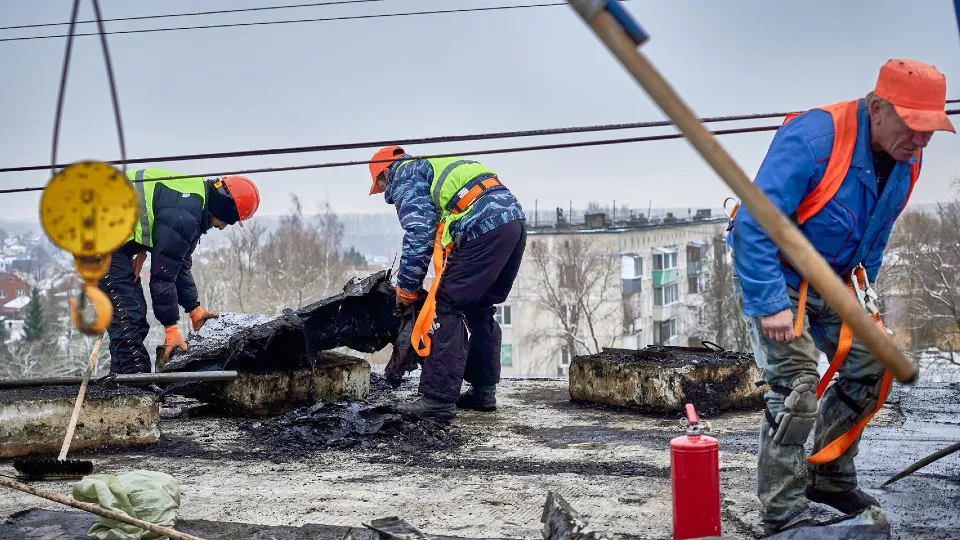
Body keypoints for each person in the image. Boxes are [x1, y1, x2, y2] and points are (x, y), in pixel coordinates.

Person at [728, 58, 955, 535]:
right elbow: (752, 225)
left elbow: (874, 236)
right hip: (779, 274)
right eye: (912, 126)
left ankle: (828, 475)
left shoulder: (906, 161)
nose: (919, 141)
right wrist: (770, 302)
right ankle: (784, 513)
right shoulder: (814, 140)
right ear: (878, 108)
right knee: (796, 388)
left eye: (929, 131)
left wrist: (864, 302)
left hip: (836, 279)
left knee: (874, 364)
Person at [367, 146, 527, 422]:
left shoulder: (405, 174)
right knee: (479, 306)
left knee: (446, 306)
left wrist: (407, 287)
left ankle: (437, 400)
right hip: (513, 223)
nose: (385, 193)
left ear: (384, 174)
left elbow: (420, 232)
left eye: (381, 186)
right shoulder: (430, 165)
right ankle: (483, 391)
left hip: (483, 227)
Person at [101, 168, 261, 374]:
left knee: (127, 315)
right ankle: (133, 385)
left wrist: (193, 308)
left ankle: (119, 382)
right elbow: (162, 276)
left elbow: (179, 264)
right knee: (129, 317)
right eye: (228, 221)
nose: (222, 227)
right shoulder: (185, 218)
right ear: (225, 209)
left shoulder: (195, 201)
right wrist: (171, 328)